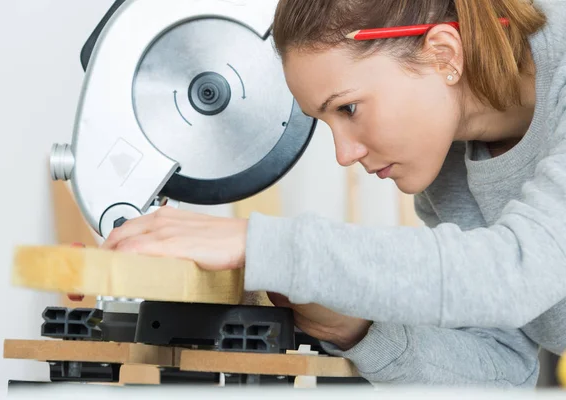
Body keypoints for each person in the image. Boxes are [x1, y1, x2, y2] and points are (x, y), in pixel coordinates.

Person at [100, 0, 566, 387]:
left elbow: (518, 271)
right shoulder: (448, 171)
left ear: (443, 55)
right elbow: (505, 370)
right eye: (325, 122)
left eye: (348, 108)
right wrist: (352, 328)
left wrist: (262, 244)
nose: (344, 153)